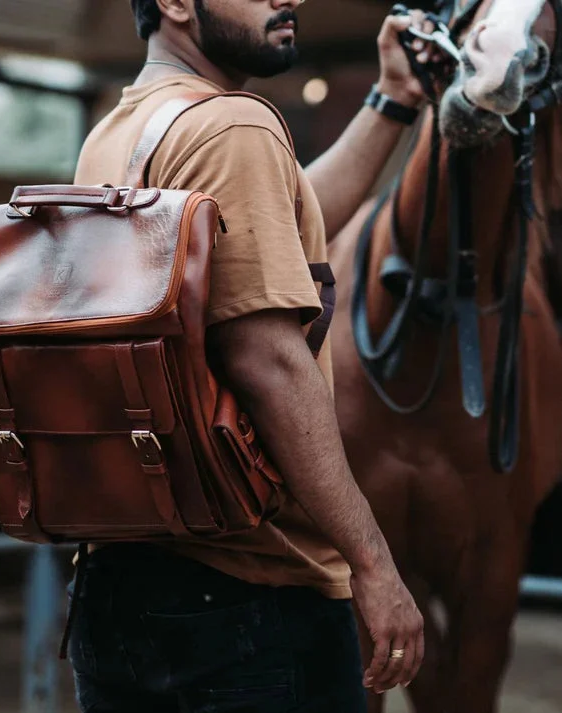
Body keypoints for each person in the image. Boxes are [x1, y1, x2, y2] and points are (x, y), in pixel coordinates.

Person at [69, 1, 435, 711]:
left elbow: (283, 229)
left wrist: (391, 99)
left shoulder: (124, 131)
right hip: (249, 598)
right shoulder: (235, 125)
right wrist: (372, 562)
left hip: (121, 588)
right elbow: (268, 360)